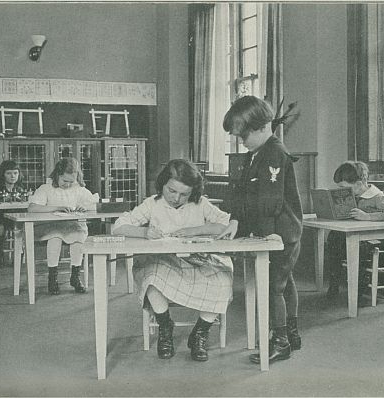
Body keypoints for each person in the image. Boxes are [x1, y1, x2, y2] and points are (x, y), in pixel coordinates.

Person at [112, 159, 234, 362]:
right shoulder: (152, 204)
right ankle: (165, 325)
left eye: (184, 194)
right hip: (164, 261)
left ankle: (200, 333)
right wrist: (144, 232)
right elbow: (119, 226)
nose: (177, 198)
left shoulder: (200, 203)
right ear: (162, 185)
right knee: (151, 277)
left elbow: (226, 224)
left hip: (198, 261)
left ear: (193, 191)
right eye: (171, 191)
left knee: (223, 280)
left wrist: (195, 230)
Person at [218, 95, 303, 365]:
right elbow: (243, 193)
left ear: (262, 127)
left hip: (280, 231)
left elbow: (270, 199)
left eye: (243, 136)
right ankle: (291, 333)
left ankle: (280, 342)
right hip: (273, 229)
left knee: (273, 286)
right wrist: (234, 220)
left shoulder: (275, 152)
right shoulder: (256, 153)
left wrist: (269, 234)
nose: (241, 142)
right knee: (283, 282)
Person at [325, 161, 384, 299]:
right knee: (334, 237)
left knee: (360, 248)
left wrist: (367, 216)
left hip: (374, 239)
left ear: (358, 184)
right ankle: (334, 284)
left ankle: (361, 293)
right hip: (357, 237)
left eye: (343, 187)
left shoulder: (377, 196)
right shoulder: (355, 195)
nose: (341, 191)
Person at [28, 157, 98, 295]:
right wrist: (56, 207)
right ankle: (52, 278)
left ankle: (75, 276)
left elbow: (95, 204)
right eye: (64, 181)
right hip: (50, 226)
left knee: (78, 238)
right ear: (57, 175)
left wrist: (85, 207)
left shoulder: (78, 189)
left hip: (71, 225)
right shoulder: (46, 188)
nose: (67, 185)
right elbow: (32, 208)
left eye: (71, 182)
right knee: (55, 238)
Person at [0, 160, 24, 267]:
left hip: (16, 219)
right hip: (2, 218)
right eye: (9, 173)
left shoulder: (20, 190)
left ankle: (20, 255)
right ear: (3, 174)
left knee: (23, 229)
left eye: (15, 173)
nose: (13, 176)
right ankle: (0, 255)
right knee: (0, 228)